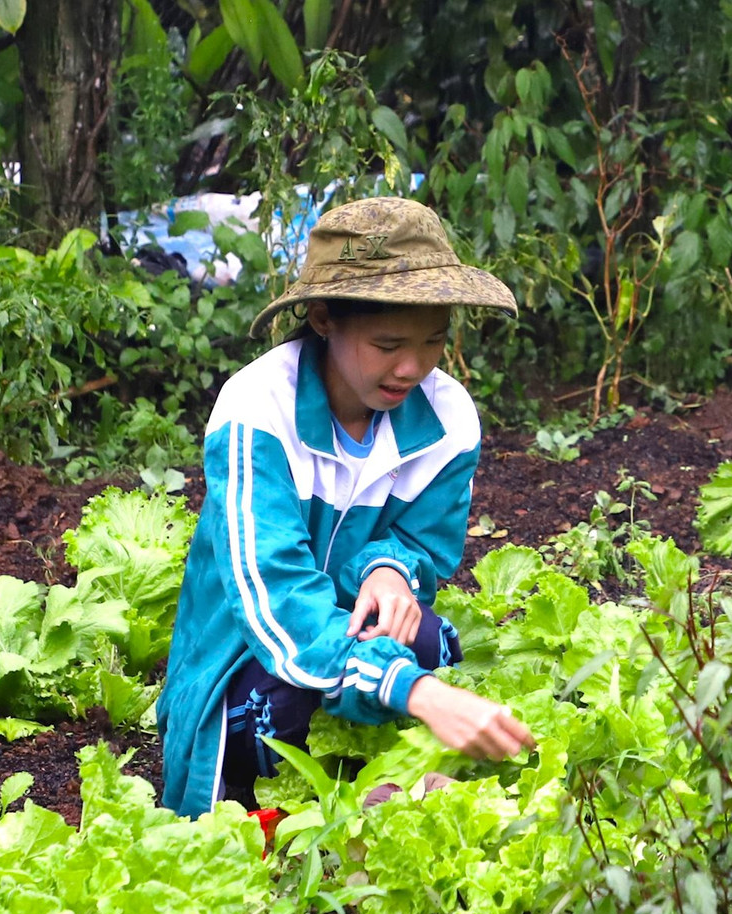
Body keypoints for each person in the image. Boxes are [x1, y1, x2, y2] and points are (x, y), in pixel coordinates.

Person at [158, 197, 534, 817]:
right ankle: (297, 807)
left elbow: (423, 548)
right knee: (272, 705)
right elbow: (278, 605)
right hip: (248, 649)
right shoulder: (257, 412)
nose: (412, 367)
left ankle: (363, 788)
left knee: (434, 643)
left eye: (434, 341)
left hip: (357, 638)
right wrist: (417, 693)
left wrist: (388, 571)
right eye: (388, 344)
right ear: (325, 319)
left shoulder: (449, 418)